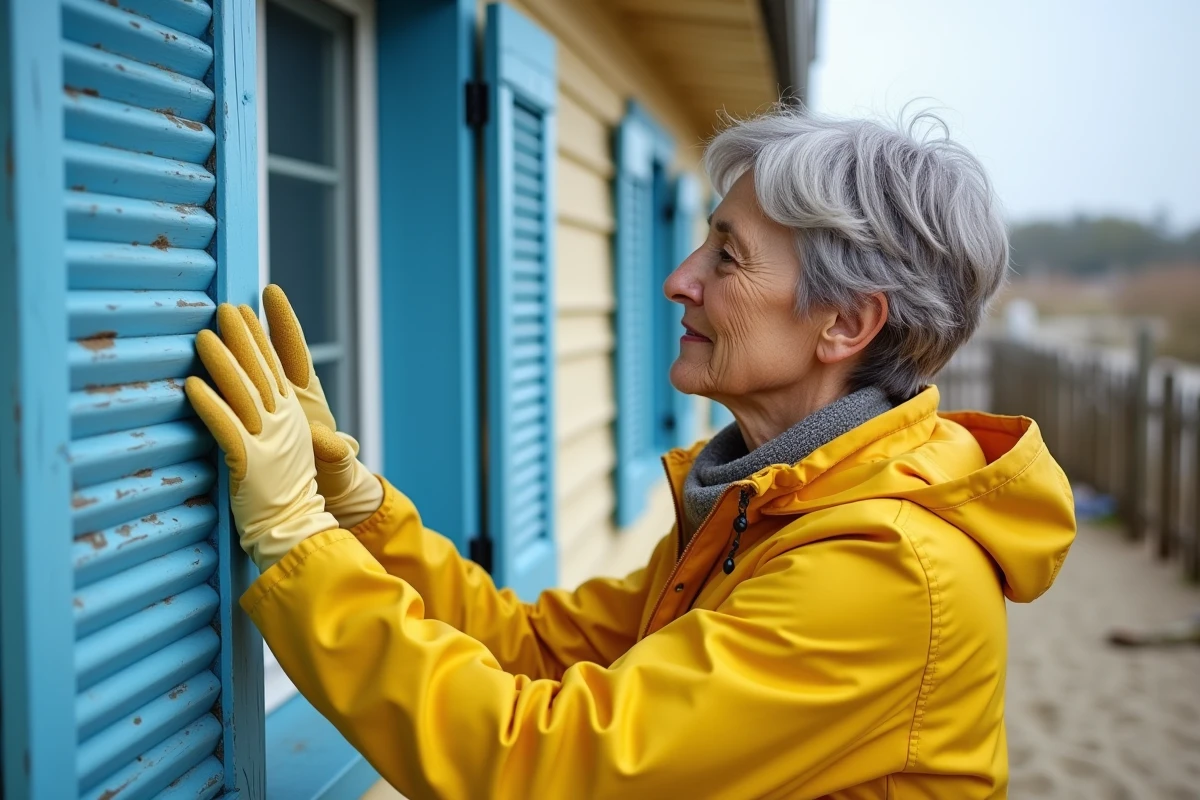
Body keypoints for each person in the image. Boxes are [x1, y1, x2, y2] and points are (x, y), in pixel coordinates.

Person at [186, 107, 1077, 799]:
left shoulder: (885, 570)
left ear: (845, 323)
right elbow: (531, 648)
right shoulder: (774, 504)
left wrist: (295, 538)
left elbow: (545, 769)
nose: (678, 277)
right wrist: (354, 509)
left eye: (727, 257)